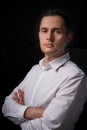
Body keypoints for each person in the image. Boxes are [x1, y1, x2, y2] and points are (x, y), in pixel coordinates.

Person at [2, 9, 87, 130]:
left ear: (68, 38)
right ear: (39, 35)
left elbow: (52, 126)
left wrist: (19, 115)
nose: (49, 37)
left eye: (57, 31)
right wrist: (34, 112)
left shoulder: (74, 76)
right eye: (44, 31)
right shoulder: (35, 69)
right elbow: (6, 106)